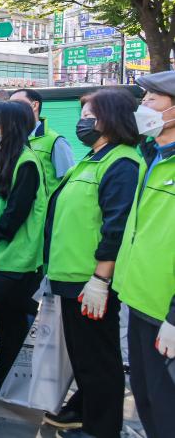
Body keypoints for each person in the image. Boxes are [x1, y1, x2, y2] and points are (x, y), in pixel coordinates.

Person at [44, 88, 141, 437]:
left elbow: (116, 224)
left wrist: (101, 279)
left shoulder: (123, 162)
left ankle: (102, 429)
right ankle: (85, 413)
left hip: (92, 281)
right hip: (72, 276)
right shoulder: (94, 157)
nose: (83, 122)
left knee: (99, 359)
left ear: (111, 118)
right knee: (84, 357)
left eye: (90, 115)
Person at [113, 71, 175, 438]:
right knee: (148, 403)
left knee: (167, 412)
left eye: (151, 100)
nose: (142, 108)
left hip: (165, 312)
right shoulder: (153, 156)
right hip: (139, 303)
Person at [0, 101, 47, 399]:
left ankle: (8, 378)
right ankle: (4, 373)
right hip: (1, 251)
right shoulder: (4, 156)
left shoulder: (27, 161)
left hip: (17, 254)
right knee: (5, 319)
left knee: (12, 321)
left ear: (9, 125)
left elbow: (17, 210)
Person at [10, 88, 74, 192]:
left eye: (17, 104)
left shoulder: (55, 141)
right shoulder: (12, 139)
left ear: (34, 105)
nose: (12, 109)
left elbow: (69, 183)